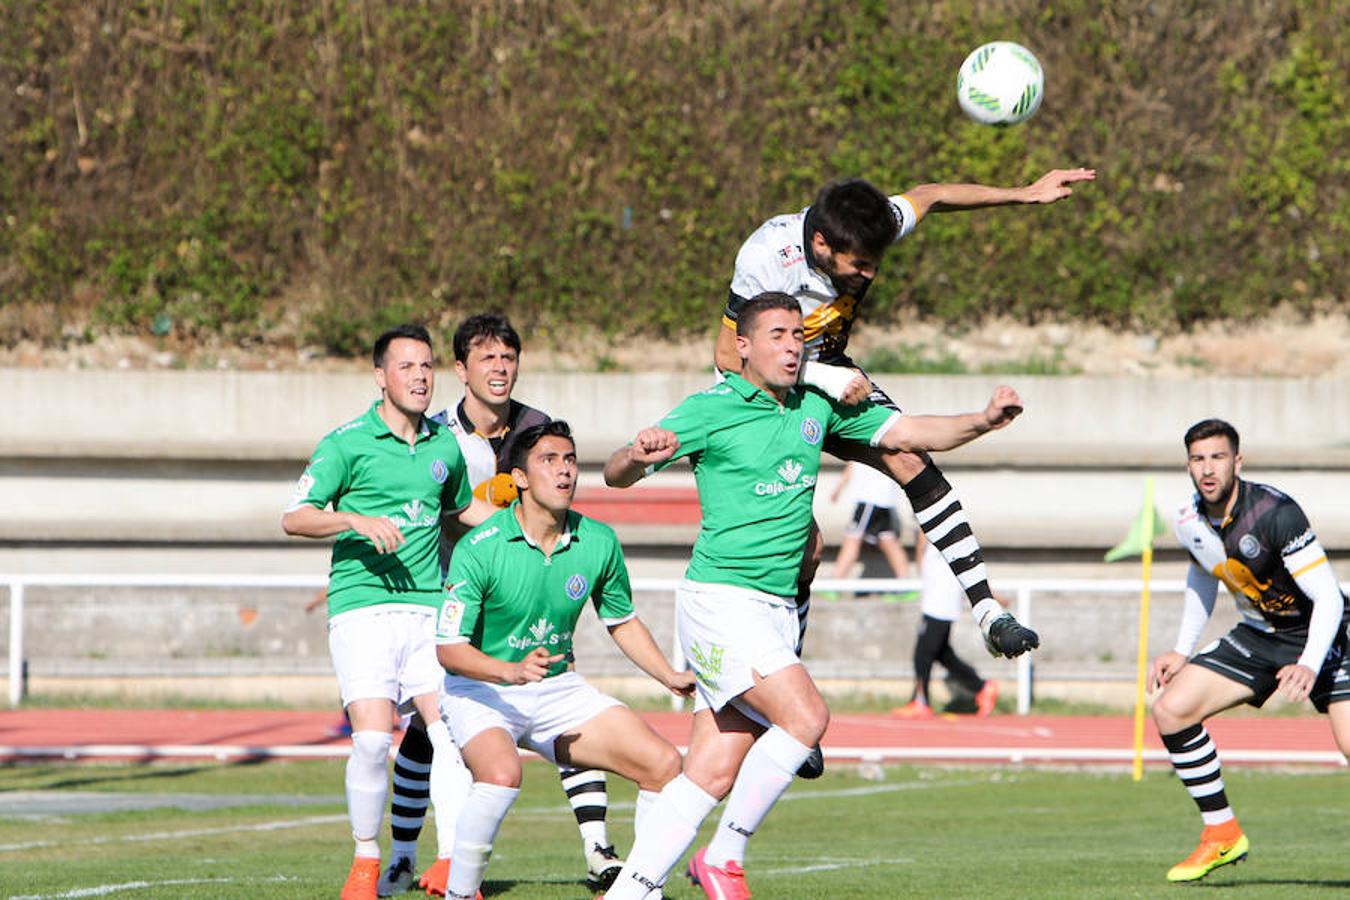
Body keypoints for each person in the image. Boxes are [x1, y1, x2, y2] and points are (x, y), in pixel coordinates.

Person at [599, 293, 1025, 900]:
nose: (793, 345)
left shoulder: (814, 407)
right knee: (807, 718)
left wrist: (982, 420)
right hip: (721, 602)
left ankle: (630, 892)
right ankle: (724, 857)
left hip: (771, 610)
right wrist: (635, 458)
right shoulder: (711, 407)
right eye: (777, 334)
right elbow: (616, 473)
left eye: (799, 334)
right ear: (742, 346)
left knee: (711, 772)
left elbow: (908, 434)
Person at [714, 172, 1092, 655]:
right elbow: (730, 358)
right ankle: (784, 664)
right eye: (860, 266)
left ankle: (986, 610)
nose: (870, 276)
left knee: (911, 456)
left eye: (876, 262)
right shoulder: (767, 257)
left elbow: (932, 195)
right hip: (763, 392)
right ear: (822, 244)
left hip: (827, 371)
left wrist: (1023, 194)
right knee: (806, 546)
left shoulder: (871, 223)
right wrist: (825, 379)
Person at [379, 314, 624, 896]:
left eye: (508, 357)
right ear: (460, 370)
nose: (500, 368)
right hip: (455, 593)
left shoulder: (538, 429)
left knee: (564, 708)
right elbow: (429, 509)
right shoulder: (437, 434)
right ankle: (409, 857)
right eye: (486, 358)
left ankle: (599, 850)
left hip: (528, 593)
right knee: (426, 728)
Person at [433, 420, 696, 900]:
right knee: (501, 775)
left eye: (570, 460)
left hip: (556, 690)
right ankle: (459, 893)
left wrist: (668, 675)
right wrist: (509, 671)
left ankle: (636, 892)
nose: (564, 471)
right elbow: (449, 650)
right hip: (482, 690)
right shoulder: (480, 547)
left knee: (662, 764)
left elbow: (622, 620)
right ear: (520, 478)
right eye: (549, 461)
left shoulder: (598, 541)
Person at [281, 324, 494, 900]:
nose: (420, 377)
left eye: (426, 366)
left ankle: (453, 868)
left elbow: (459, 512)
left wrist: (519, 524)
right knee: (374, 742)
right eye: (407, 367)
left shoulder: (444, 445)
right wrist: (354, 520)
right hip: (361, 609)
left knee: (450, 735)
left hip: (428, 608)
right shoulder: (346, 443)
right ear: (381, 377)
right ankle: (366, 861)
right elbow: (294, 516)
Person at [1148, 418, 1350, 883]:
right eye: (1198, 459)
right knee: (1173, 709)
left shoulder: (1276, 513)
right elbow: (1204, 574)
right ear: (1188, 465)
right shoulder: (1187, 519)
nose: (1208, 469)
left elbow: (1329, 598)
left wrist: (1308, 664)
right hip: (1261, 635)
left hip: (1327, 634)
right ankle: (1221, 833)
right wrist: (1182, 650)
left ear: (1238, 461)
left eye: (1218, 457)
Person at [892, 533, 1000, 719]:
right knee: (943, 655)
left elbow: (968, 565)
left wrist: (990, 596)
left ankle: (921, 700)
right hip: (935, 602)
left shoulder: (945, 533)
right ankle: (983, 687)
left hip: (940, 604)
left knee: (922, 655)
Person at [829, 460, 912, 591]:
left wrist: (839, 488)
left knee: (852, 539)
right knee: (888, 541)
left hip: (870, 498)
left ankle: (835, 585)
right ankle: (905, 585)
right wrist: (839, 487)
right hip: (882, 499)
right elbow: (853, 461)